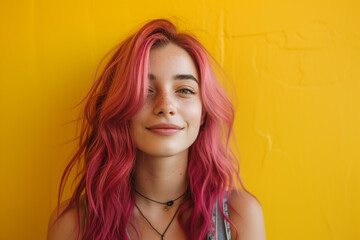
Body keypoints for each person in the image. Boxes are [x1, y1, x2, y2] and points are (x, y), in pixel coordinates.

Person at [47, 18, 266, 240]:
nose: (166, 106)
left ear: (203, 113)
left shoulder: (239, 216)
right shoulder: (73, 225)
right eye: (145, 90)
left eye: (185, 90)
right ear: (121, 109)